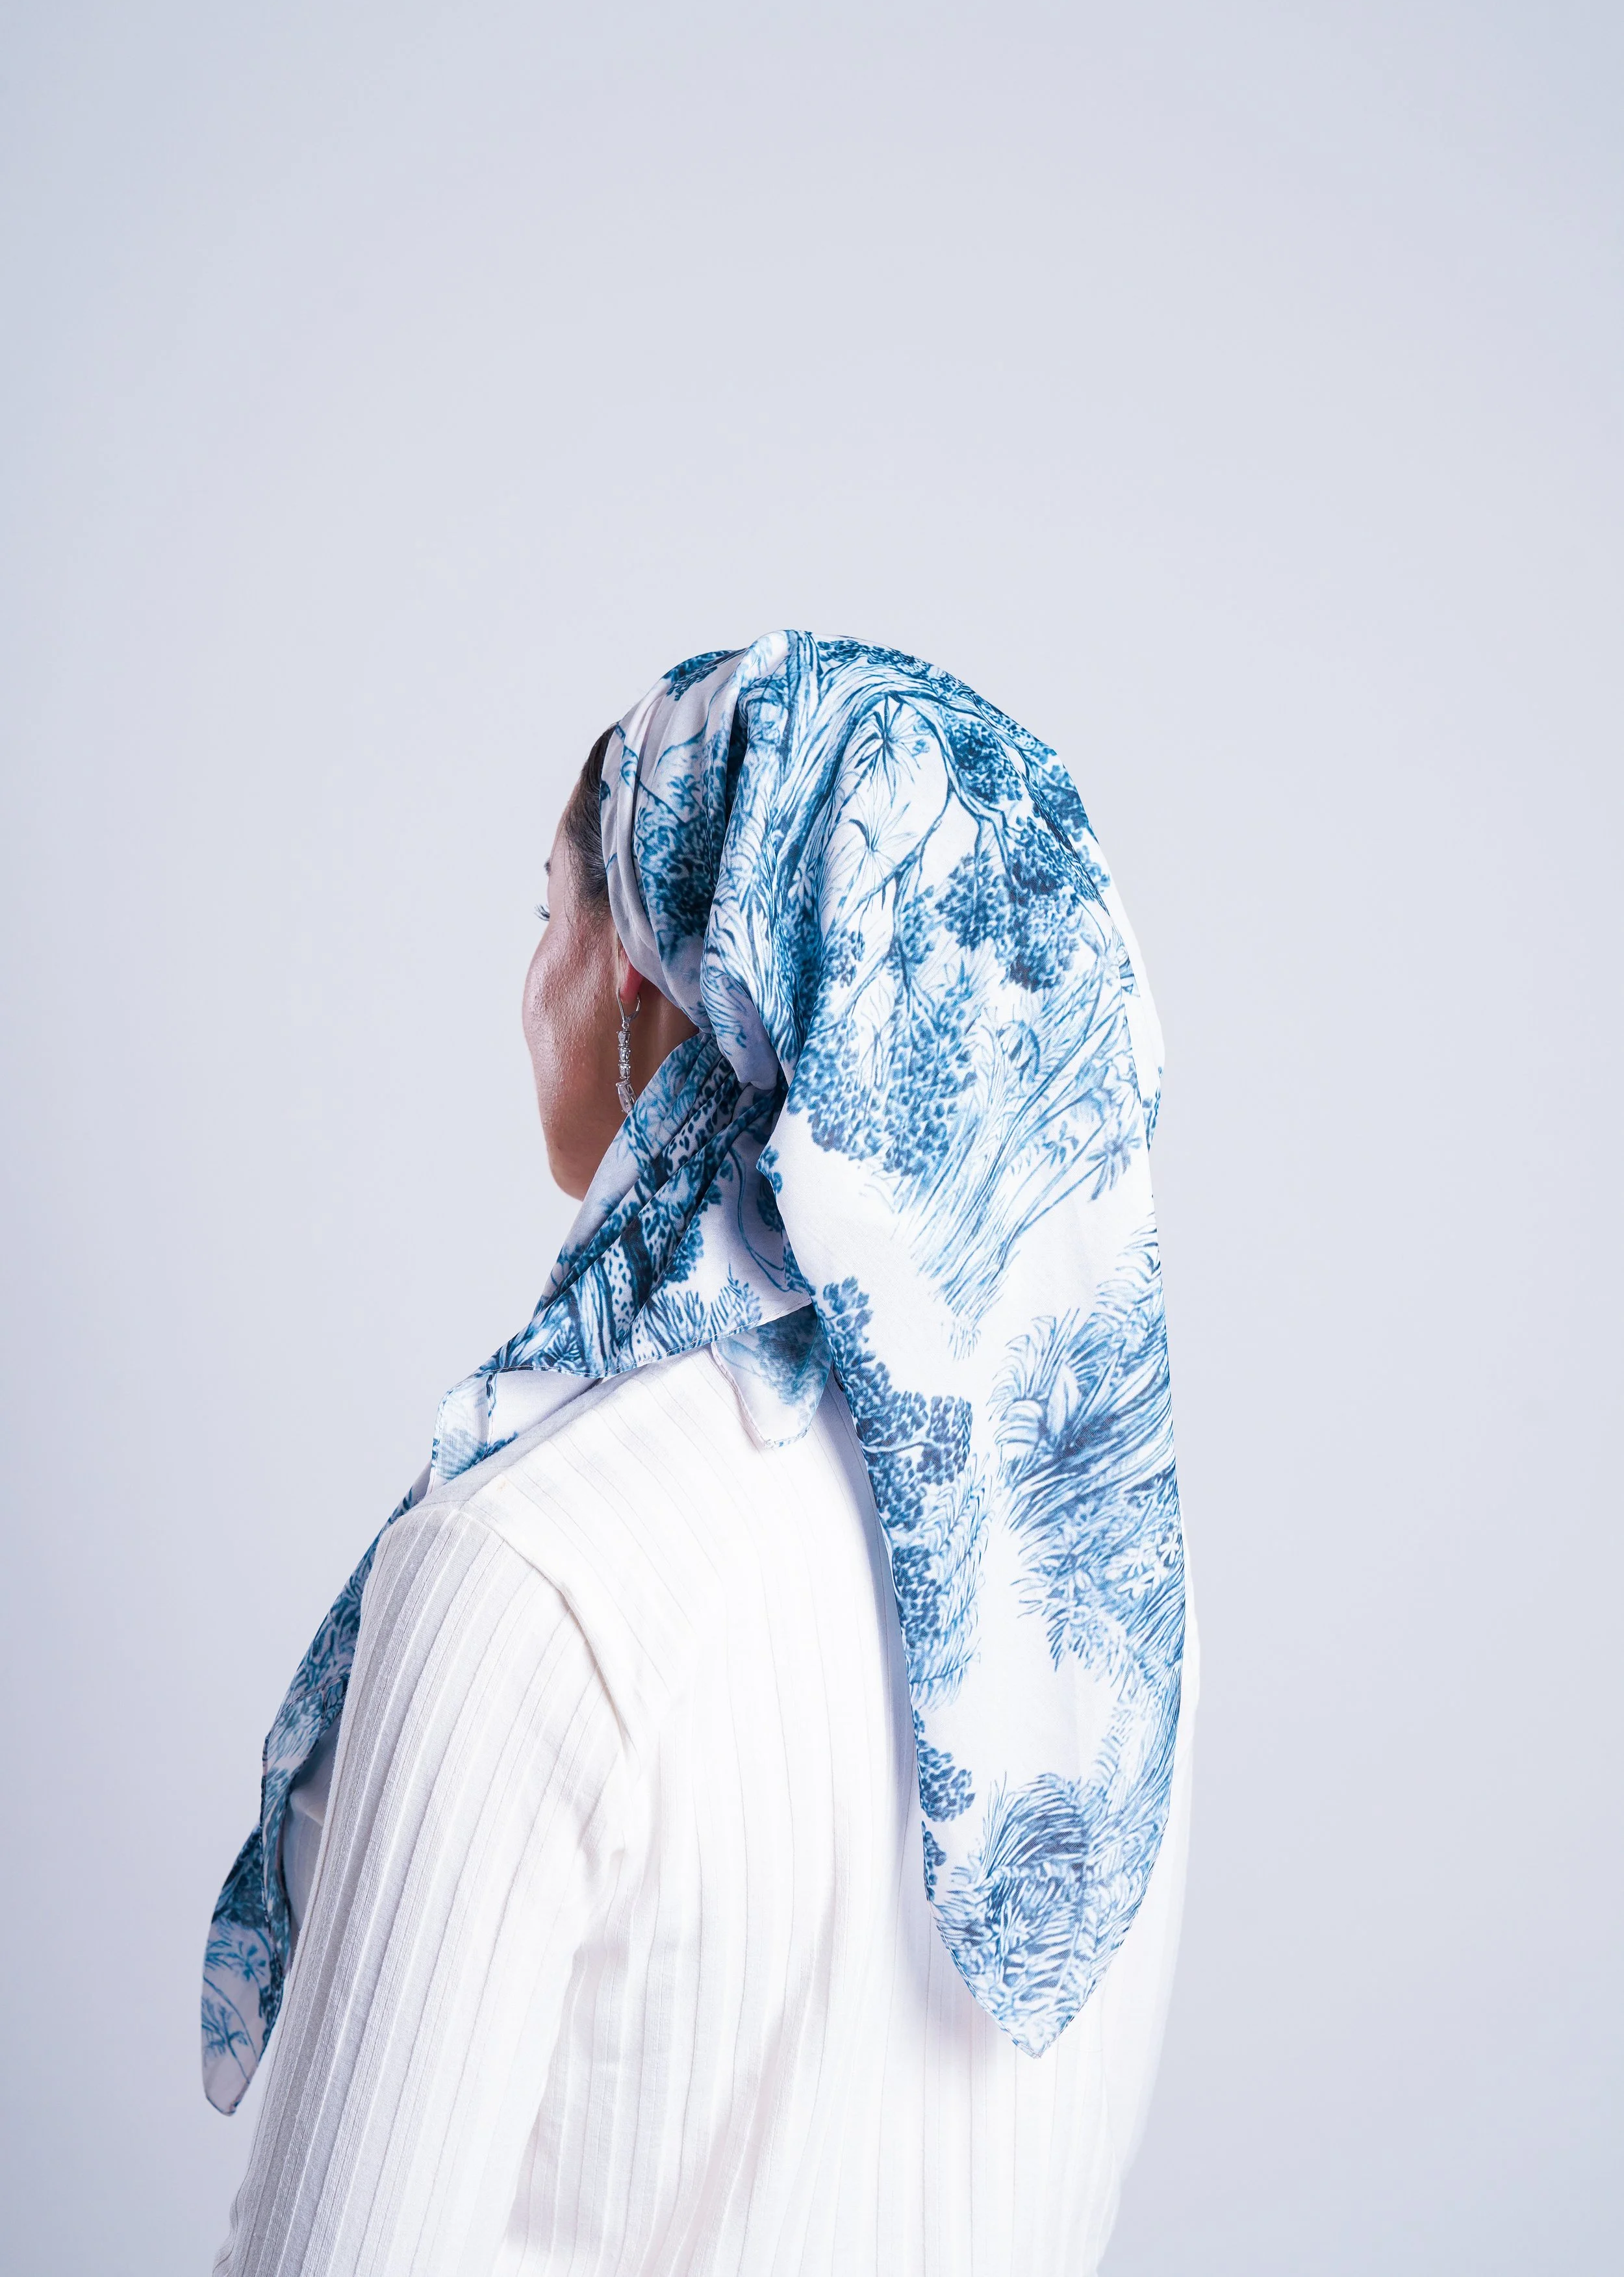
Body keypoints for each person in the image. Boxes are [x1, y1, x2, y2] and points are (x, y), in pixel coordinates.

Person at [205, 631, 1198, 2276]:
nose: (532, 977)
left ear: (647, 980)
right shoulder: (1103, 1612)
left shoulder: (525, 1576)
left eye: (549, 916)